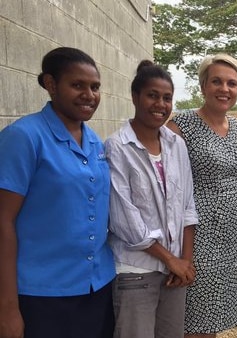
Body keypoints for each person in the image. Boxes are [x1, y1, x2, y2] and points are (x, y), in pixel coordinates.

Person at [0, 47, 115, 338]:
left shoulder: (94, 143)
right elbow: (3, 222)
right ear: (51, 84)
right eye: (77, 85)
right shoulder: (24, 137)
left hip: (96, 288)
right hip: (42, 295)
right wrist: (7, 309)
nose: (89, 95)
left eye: (95, 87)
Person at [105, 60, 198, 338]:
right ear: (135, 97)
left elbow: (188, 207)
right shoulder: (117, 147)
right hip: (136, 271)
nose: (160, 104)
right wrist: (171, 260)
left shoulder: (176, 144)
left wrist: (185, 262)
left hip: (174, 272)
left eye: (167, 98)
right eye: (152, 95)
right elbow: (126, 221)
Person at [167, 53, 237, 338]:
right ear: (203, 86)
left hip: (235, 240)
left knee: (213, 321)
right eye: (216, 81)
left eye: (231, 83)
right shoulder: (181, 127)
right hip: (199, 239)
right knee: (195, 323)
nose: (224, 89)